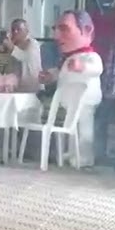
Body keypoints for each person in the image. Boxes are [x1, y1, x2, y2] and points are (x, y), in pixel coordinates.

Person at [38, 10, 104, 169]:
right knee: (71, 127)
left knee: (84, 130)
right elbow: (60, 73)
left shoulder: (90, 56)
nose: (57, 36)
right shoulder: (67, 59)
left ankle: (85, 156)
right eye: (56, 30)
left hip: (85, 100)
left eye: (64, 29)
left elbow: (97, 68)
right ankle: (71, 152)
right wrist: (49, 76)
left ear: (87, 30)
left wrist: (82, 67)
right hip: (69, 102)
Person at [1, 19, 43, 92]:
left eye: (19, 29)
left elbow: (25, 57)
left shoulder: (33, 44)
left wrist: (12, 48)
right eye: (13, 29)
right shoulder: (14, 44)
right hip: (17, 88)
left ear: (26, 31)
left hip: (33, 88)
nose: (15, 32)